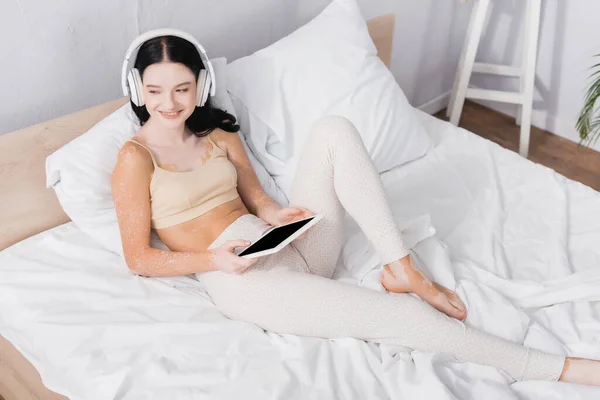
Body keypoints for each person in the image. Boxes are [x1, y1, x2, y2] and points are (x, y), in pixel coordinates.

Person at [111, 29, 599, 386]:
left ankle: (401, 267)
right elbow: (139, 258)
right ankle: (557, 369)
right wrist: (214, 260)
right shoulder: (135, 159)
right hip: (243, 277)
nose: (169, 103)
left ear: (200, 83)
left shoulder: (219, 132)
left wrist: (277, 214)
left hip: (285, 243)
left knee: (333, 130)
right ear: (138, 91)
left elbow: (254, 195)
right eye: (154, 91)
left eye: (181, 88)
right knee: (402, 320)